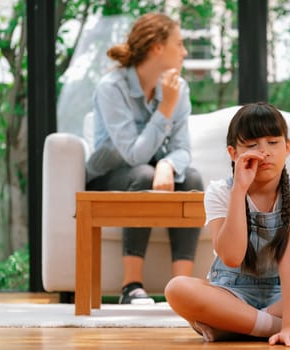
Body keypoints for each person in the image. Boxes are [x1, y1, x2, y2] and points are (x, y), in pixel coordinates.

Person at [165, 102, 290, 346]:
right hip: (230, 294)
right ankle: (281, 327)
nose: (264, 152)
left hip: (282, 297)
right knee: (177, 289)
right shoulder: (219, 192)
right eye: (251, 145)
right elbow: (231, 257)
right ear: (233, 153)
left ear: (288, 147)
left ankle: (235, 328)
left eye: (273, 142)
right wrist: (239, 190)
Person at [85, 13, 204, 305]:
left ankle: (182, 288)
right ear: (156, 48)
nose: (185, 52)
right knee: (141, 173)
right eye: (179, 43)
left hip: (150, 169)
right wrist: (166, 108)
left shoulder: (180, 88)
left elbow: (182, 148)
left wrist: (168, 164)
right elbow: (133, 153)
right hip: (109, 177)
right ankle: (131, 286)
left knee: (192, 178)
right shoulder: (112, 88)